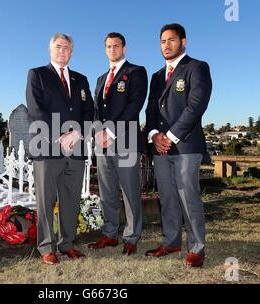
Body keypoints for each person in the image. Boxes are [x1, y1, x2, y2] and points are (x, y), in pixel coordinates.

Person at [145, 24, 212, 267]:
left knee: (188, 196)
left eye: (171, 40)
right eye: (162, 41)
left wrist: (170, 136)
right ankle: (171, 242)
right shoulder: (156, 76)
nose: (166, 45)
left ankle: (197, 247)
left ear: (183, 41)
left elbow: (196, 107)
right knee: (167, 197)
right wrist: (153, 135)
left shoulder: (197, 68)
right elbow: (151, 109)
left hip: (186, 145)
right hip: (160, 148)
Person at [26, 33, 94, 265]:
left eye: (67, 48)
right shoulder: (38, 74)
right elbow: (36, 109)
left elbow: (89, 111)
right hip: (48, 147)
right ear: (50, 49)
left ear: (72, 52)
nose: (62, 51)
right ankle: (46, 246)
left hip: (75, 147)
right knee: (45, 200)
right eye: (58, 47)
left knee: (71, 198)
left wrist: (76, 134)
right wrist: (59, 135)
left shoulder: (81, 79)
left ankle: (67, 243)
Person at [88, 32, 148, 255]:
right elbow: (95, 111)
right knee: (107, 193)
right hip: (102, 145)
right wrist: (97, 133)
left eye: (116, 46)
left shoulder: (136, 72)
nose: (112, 49)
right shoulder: (101, 79)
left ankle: (131, 237)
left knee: (130, 193)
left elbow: (134, 106)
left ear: (124, 48)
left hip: (125, 141)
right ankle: (110, 234)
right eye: (108, 46)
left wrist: (110, 132)